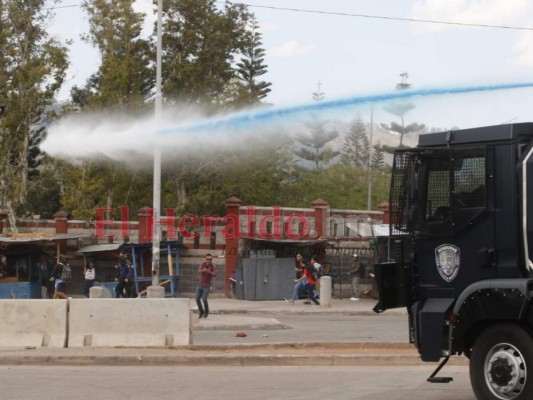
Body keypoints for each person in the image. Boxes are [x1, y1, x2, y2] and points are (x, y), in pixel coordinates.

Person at [196, 253, 217, 319]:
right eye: (207, 259)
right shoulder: (203, 264)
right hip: (200, 285)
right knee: (197, 299)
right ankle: (201, 311)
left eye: (210, 259)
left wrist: (209, 272)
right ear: (206, 259)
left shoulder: (213, 266)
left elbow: (215, 274)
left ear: (211, 259)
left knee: (204, 299)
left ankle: (206, 312)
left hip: (207, 286)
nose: (209, 261)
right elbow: (198, 271)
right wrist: (204, 270)